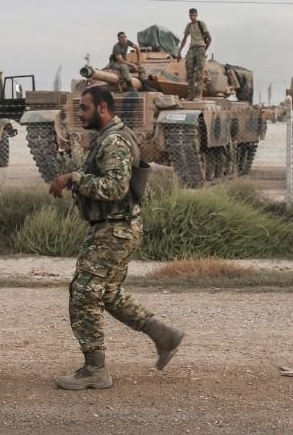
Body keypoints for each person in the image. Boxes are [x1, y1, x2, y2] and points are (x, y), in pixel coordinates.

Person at [49, 85, 184, 389]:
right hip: (114, 228)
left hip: (115, 230)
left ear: (102, 108)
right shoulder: (109, 137)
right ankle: (164, 335)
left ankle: (95, 369)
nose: (79, 114)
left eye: (84, 108)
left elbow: (115, 188)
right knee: (106, 293)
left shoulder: (114, 141)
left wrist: (74, 178)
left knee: (84, 294)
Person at [177, 8, 212, 100]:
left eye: (193, 15)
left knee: (199, 73)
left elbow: (209, 38)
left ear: (196, 15)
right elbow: (184, 39)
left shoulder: (201, 24)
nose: (192, 17)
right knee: (189, 73)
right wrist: (179, 51)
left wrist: (204, 49)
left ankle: (198, 95)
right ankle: (190, 94)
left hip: (200, 48)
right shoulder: (188, 26)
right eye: (190, 15)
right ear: (189, 16)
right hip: (192, 49)